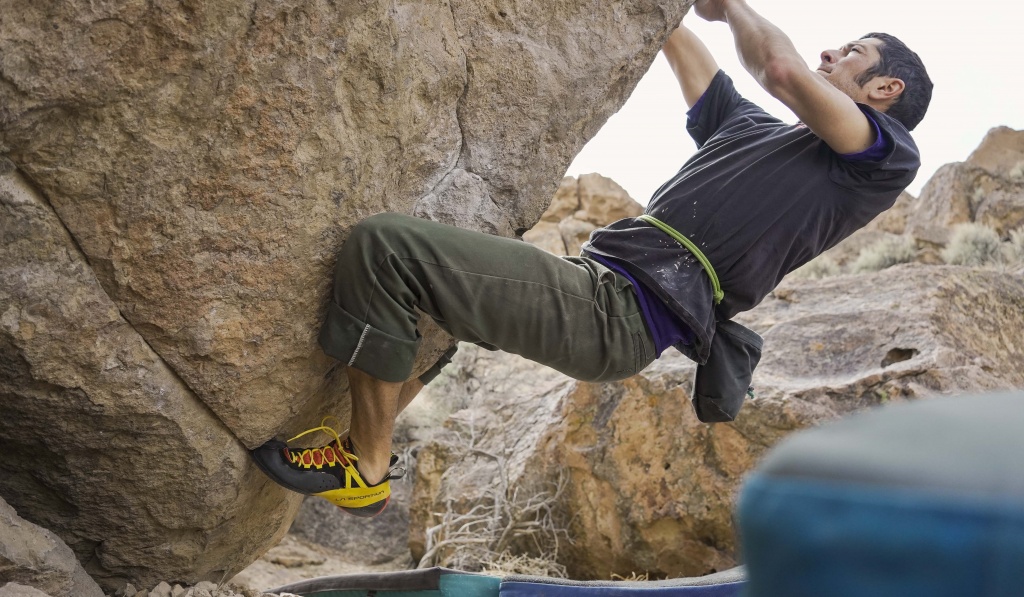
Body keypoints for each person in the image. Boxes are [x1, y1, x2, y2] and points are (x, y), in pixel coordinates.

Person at [251, 0, 932, 518]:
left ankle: (366, 464)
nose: (828, 53)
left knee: (384, 247)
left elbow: (778, 68)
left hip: (621, 312)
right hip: (593, 285)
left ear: (884, 91)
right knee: (439, 312)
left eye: (851, 53)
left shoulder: (880, 158)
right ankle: (361, 431)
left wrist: (733, 8)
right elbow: (679, 45)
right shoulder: (750, 129)